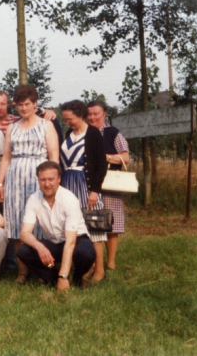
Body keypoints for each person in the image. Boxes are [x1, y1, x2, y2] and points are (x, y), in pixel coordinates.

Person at [0, 85, 59, 284]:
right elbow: (6, 158)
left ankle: (43, 270)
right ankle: (22, 272)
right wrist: (0, 183)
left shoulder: (46, 125)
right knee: (16, 225)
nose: (24, 108)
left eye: (28, 104)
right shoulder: (11, 127)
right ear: (15, 106)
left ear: (35, 104)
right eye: (20, 105)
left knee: (40, 225)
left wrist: (54, 183)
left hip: (39, 180)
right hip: (14, 181)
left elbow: (53, 156)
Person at [17, 161, 96, 291]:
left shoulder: (69, 199)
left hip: (76, 240)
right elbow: (24, 233)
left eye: (51, 179)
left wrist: (63, 275)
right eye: (43, 180)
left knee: (85, 253)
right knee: (23, 251)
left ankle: (77, 279)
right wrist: (40, 247)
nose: (47, 184)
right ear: (38, 180)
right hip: (54, 243)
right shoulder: (33, 199)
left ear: (59, 179)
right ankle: (53, 278)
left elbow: (70, 242)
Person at [60, 99, 107, 284]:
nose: (67, 122)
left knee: (93, 227)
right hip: (67, 185)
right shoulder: (68, 133)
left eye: (69, 118)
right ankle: (80, 267)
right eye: (64, 119)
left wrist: (94, 191)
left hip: (85, 186)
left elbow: (101, 165)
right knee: (73, 228)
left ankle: (100, 270)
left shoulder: (93, 134)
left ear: (80, 115)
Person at [87, 100, 130, 271]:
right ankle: (93, 263)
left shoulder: (113, 133)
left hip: (111, 183)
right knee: (93, 224)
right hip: (90, 185)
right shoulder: (84, 133)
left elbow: (126, 157)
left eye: (96, 114)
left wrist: (106, 157)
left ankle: (111, 263)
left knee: (113, 224)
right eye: (89, 114)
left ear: (104, 114)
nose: (92, 117)